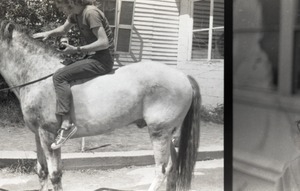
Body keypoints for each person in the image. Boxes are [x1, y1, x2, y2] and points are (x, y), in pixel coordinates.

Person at [33, 0, 114, 150]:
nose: (60, 8)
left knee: (59, 76)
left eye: (61, 5)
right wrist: (48, 33)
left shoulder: (90, 13)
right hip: (92, 57)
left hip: (102, 60)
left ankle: (66, 124)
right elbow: (64, 29)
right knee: (64, 71)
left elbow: (104, 43)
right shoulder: (75, 14)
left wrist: (76, 49)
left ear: (70, 2)